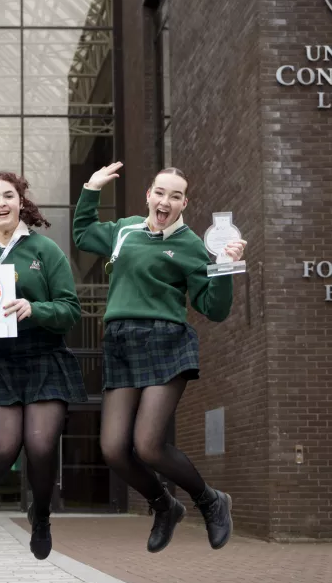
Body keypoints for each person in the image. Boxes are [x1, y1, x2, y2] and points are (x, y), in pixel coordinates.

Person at [73, 162, 244, 553]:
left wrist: (224, 267)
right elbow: (83, 234)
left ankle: (210, 502)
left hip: (166, 340)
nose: (166, 200)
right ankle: (164, 505)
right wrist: (91, 189)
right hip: (120, 341)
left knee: (148, 445)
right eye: (160, 192)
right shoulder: (125, 230)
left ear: (185, 203)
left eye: (176, 195)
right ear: (148, 195)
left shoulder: (193, 247)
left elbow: (214, 309)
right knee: (114, 449)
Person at [0, 172, 86, 559]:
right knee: (4, 446)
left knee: (41, 446)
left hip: (44, 357)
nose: (0, 203)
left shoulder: (46, 251)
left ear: (21, 202)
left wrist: (36, 308)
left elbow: (70, 310)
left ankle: (41, 516)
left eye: (8, 196)